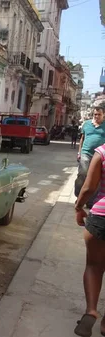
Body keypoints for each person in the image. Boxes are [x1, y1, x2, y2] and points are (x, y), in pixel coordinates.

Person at [74, 142, 105, 337]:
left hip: (101, 217)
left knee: (94, 265)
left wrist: (78, 207)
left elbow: (88, 187)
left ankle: (91, 311)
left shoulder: (102, 152)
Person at [75, 104, 105, 208]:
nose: (96, 116)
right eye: (95, 114)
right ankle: (78, 196)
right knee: (82, 173)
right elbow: (82, 138)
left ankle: (90, 201)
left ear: (103, 115)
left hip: (99, 155)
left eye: (99, 114)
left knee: (95, 178)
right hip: (86, 152)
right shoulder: (87, 124)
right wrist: (79, 152)